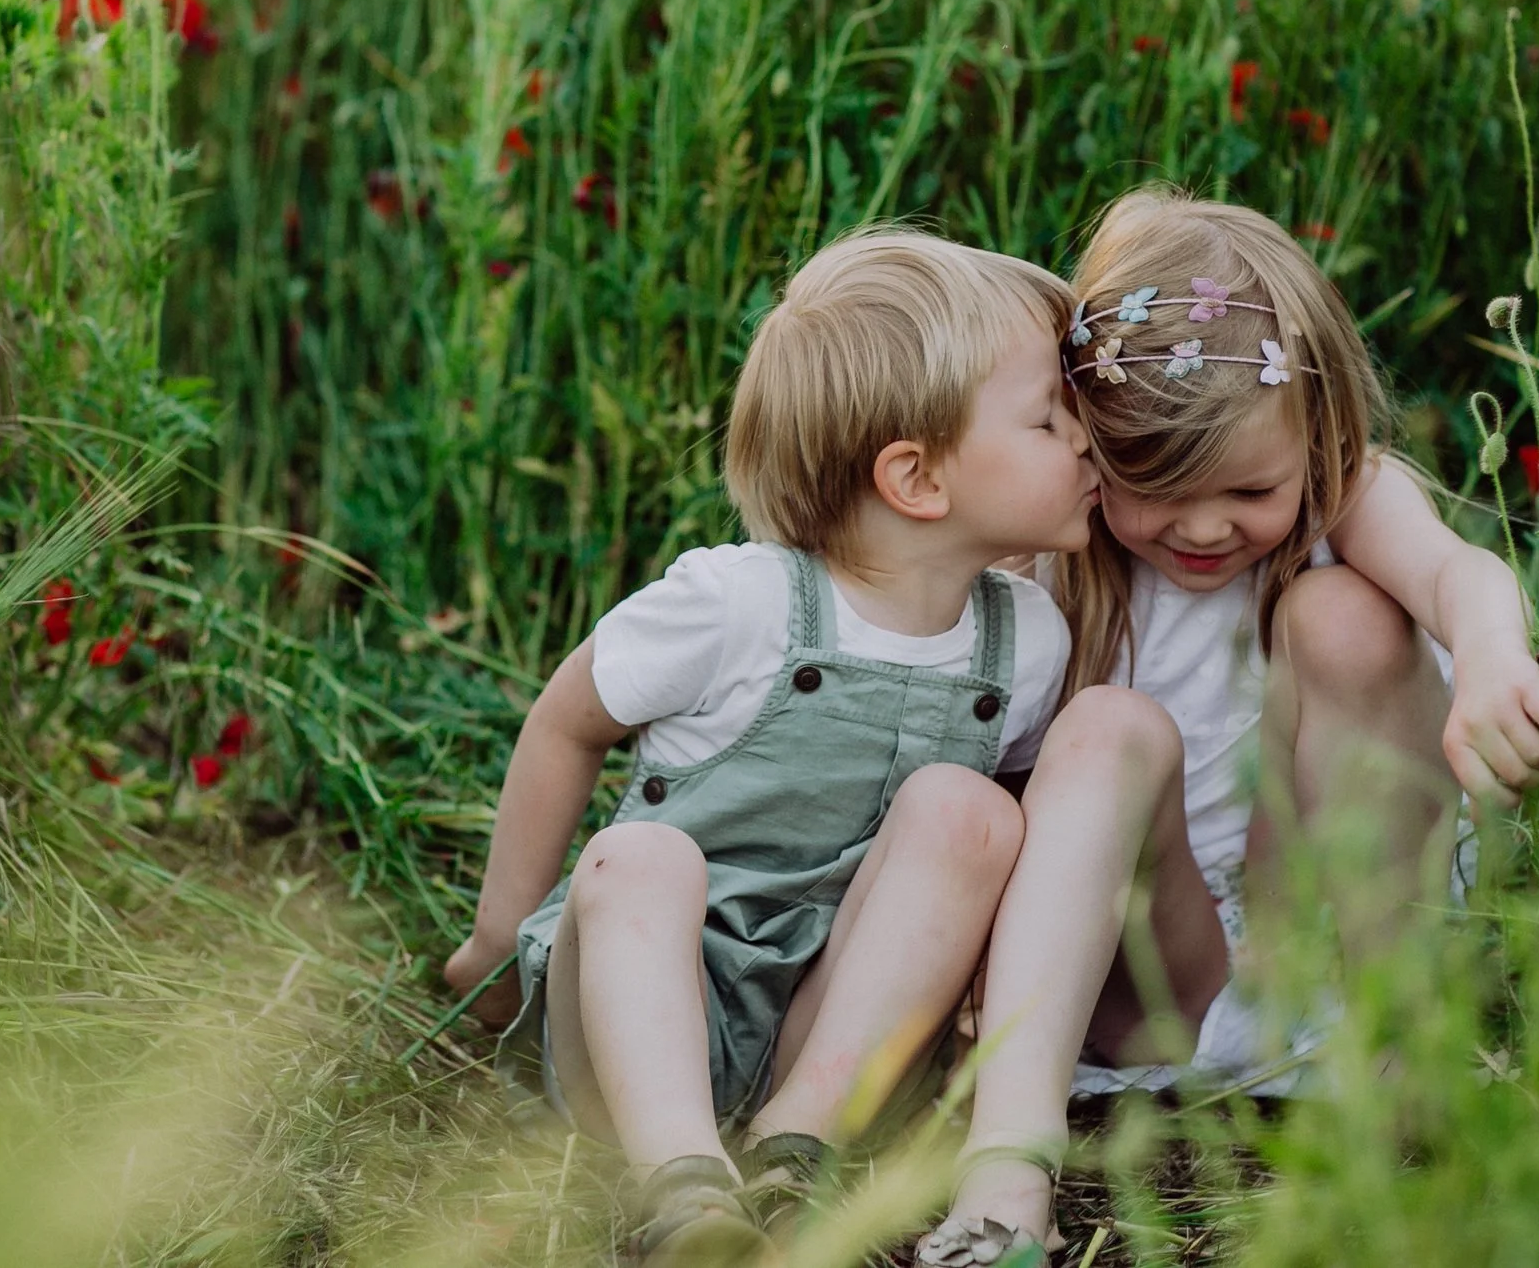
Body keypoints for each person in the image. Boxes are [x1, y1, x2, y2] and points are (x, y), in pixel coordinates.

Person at [443, 229, 1220, 1268]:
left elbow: (1007, 865)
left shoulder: (1025, 639)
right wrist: (498, 940)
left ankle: (790, 1146)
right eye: (1047, 419)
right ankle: (681, 1180)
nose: (1085, 443)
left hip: (852, 1036)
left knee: (972, 808)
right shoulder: (732, 602)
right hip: (646, 1018)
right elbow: (564, 720)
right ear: (915, 477)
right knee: (643, 857)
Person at [1047, 189, 1539, 1093]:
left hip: (1327, 928)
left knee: (1344, 615)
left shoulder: (1345, 493)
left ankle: (1401, 1026)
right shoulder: (1059, 546)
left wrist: (1490, 659)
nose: (1204, 529)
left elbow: (1461, 575)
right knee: (1100, 726)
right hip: (1153, 979)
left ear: (1317, 434)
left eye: (1250, 492)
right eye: (1160, 492)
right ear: (1094, 446)